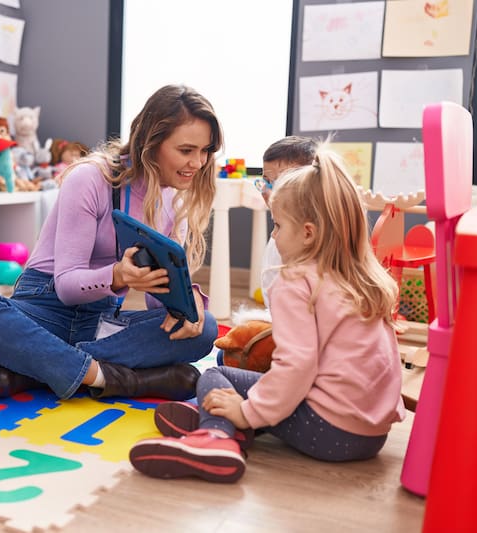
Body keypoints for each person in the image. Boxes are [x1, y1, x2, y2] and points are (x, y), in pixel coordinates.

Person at [0, 84, 223, 401]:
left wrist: (184, 304)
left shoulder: (172, 202)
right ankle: (113, 380)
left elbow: (157, 303)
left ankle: (38, 367)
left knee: (205, 329)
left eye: (205, 151)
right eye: (186, 150)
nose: (198, 162)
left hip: (99, 324)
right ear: (150, 143)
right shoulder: (91, 178)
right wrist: (118, 276)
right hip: (43, 308)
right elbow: (68, 287)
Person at [129, 147, 406, 483]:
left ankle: (215, 437)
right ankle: (222, 421)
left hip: (329, 432)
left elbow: (298, 364)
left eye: (278, 225)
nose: (274, 234)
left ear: (308, 233)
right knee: (238, 384)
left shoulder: (296, 280)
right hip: (372, 435)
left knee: (216, 377)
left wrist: (248, 412)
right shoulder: (364, 278)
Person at [258, 136, 319, 309]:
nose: (265, 190)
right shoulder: (281, 233)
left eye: (278, 183)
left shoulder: (303, 241)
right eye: (266, 181)